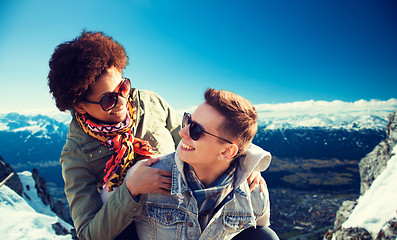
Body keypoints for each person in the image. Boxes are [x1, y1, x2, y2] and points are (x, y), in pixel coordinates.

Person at [48, 31, 267, 240]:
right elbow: (88, 233)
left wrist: (244, 163)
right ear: (80, 106)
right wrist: (131, 190)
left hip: (187, 210)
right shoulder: (76, 154)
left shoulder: (150, 103)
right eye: (108, 100)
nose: (123, 102)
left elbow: (200, 140)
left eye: (123, 87)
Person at [104, 88, 279, 240]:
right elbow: (104, 226)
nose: (182, 132)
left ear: (227, 152)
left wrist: (249, 166)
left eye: (196, 130)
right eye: (188, 120)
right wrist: (130, 190)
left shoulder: (254, 191)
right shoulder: (146, 176)